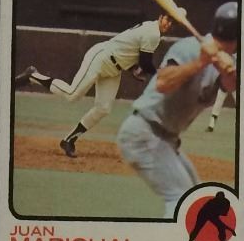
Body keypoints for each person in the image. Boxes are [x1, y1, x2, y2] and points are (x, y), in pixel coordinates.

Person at [116, 4, 239, 217]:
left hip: (166, 139)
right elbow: (162, 83)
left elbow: (230, 85)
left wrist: (229, 71)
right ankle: (170, 239)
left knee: (197, 198)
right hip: (144, 132)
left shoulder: (228, 60)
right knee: (182, 201)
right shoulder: (189, 48)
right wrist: (201, 62)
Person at [15, 15, 174, 159]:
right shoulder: (153, 32)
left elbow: (130, 50)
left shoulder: (151, 29)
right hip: (101, 58)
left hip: (114, 69)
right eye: (167, 19)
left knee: (103, 108)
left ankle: (69, 140)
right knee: (73, 94)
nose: (168, 24)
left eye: (172, 23)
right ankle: (33, 76)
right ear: (161, 17)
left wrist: (134, 68)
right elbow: (145, 62)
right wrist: (158, 73)